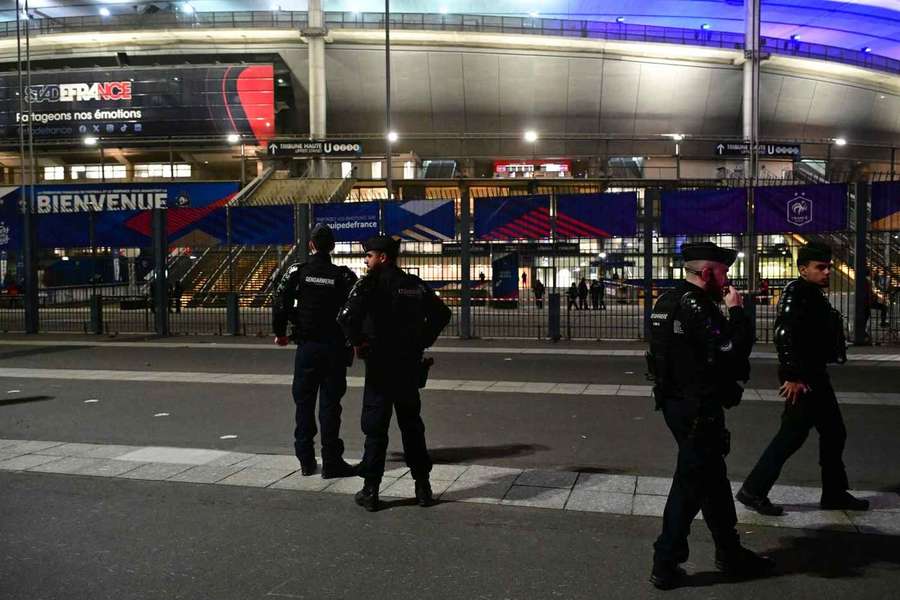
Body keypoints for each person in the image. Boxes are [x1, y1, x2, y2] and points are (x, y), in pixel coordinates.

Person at [646, 242, 773, 590]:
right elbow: (730, 352)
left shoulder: (666, 301)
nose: (727, 278)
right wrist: (736, 313)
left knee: (712, 479)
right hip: (699, 409)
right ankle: (665, 562)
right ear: (707, 273)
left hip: (674, 404)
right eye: (723, 272)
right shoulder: (698, 306)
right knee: (689, 485)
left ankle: (729, 552)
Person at [736, 242, 869, 516]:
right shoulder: (797, 292)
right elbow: (784, 333)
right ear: (803, 269)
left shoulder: (810, 292)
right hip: (805, 379)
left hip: (813, 375)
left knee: (830, 432)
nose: (826, 272)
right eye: (820, 267)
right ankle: (754, 490)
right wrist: (792, 375)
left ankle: (833, 492)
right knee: (794, 436)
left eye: (828, 267)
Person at [338, 235, 451, 512]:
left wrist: (358, 343)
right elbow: (442, 314)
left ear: (383, 257)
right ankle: (423, 487)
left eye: (370, 255)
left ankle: (371, 491)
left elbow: (345, 317)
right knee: (412, 425)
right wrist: (422, 341)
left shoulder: (368, 284)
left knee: (376, 429)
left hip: (379, 366)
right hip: (408, 365)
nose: (367, 260)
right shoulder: (413, 284)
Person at [272, 224, 359, 478]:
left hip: (307, 347)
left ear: (310, 245)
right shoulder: (343, 275)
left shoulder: (297, 271)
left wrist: (281, 331)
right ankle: (332, 461)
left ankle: (306, 460)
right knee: (331, 405)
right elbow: (355, 308)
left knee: (304, 402)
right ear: (332, 247)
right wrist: (354, 340)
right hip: (334, 348)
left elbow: (280, 300)